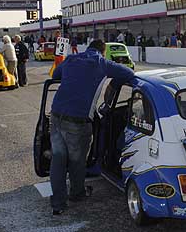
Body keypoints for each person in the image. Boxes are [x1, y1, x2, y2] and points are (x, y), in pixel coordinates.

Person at [49, 39, 134, 215]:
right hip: (77, 121)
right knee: (77, 160)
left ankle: (58, 203)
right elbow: (128, 73)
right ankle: (77, 193)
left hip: (56, 115)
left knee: (57, 159)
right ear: (103, 52)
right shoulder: (101, 63)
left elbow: (55, 75)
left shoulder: (72, 59)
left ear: (86, 48)